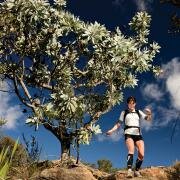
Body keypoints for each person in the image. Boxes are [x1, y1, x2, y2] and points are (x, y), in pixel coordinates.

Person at [106, 96, 152, 178]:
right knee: (131, 150)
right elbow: (118, 123)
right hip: (128, 133)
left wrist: (149, 114)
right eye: (129, 102)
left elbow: (148, 119)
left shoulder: (138, 112)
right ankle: (129, 171)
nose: (131, 104)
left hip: (138, 134)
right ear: (128, 104)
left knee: (141, 154)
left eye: (133, 102)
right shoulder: (124, 112)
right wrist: (112, 130)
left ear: (135, 103)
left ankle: (136, 171)